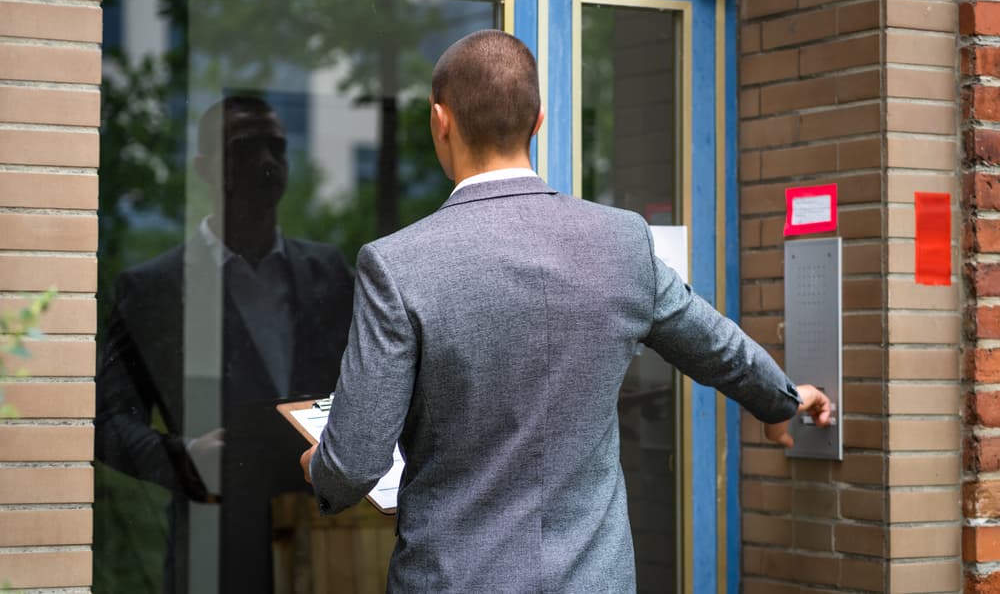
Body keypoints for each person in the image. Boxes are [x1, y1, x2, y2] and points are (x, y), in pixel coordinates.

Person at [300, 30, 830, 591]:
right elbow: (717, 347)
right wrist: (781, 403)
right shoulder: (621, 241)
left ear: (440, 120)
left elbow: (354, 465)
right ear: (538, 120)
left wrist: (321, 470)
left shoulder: (396, 264)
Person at [95, 96, 355, 593]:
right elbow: (104, 421)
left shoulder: (329, 272)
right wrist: (184, 458)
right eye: (245, 148)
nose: (266, 162)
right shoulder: (154, 288)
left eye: (276, 147)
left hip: (327, 544)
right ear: (204, 169)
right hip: (213, 552)